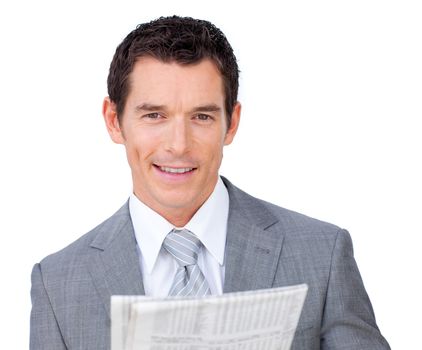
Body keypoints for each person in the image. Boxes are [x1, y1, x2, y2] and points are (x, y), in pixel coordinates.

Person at [30, 16, 390, 349]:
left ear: (231, 123)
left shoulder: (322, 254)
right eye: (154, 115)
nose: (179, 144)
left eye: (201, 116)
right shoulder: (58, 284)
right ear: (114, 120)